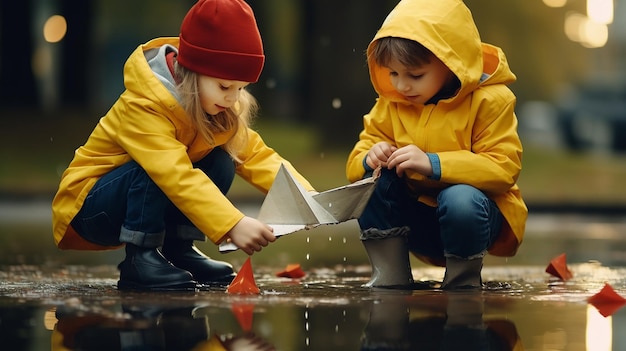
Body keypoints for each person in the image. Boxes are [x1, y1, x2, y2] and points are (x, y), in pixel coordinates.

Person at [51, 0, 316, 291]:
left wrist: (305, 197)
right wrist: (232, 224)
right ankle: (140, 259)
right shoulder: (144, 104)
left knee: (222, 159)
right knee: (156, 169)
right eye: (225, 87)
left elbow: (255, 155)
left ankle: (178, 250)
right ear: (192, 72)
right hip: (90, 208)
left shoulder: (213, 105)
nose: (232, 98)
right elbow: (175, 175)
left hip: (135, 196)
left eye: (241, 88)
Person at [346, 0, 527, 289]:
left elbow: (503, 168)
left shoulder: (491, 100)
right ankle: (389, 276)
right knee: (373, 183)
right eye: (393, 74)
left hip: (472, 218)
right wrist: (370, 156)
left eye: (415, 76)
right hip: (416, 222)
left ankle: (462, 281)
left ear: (451, 63)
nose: (402, 86)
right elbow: (356, 161)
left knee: (460, 198)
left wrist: (433, 163)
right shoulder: (393, 102)